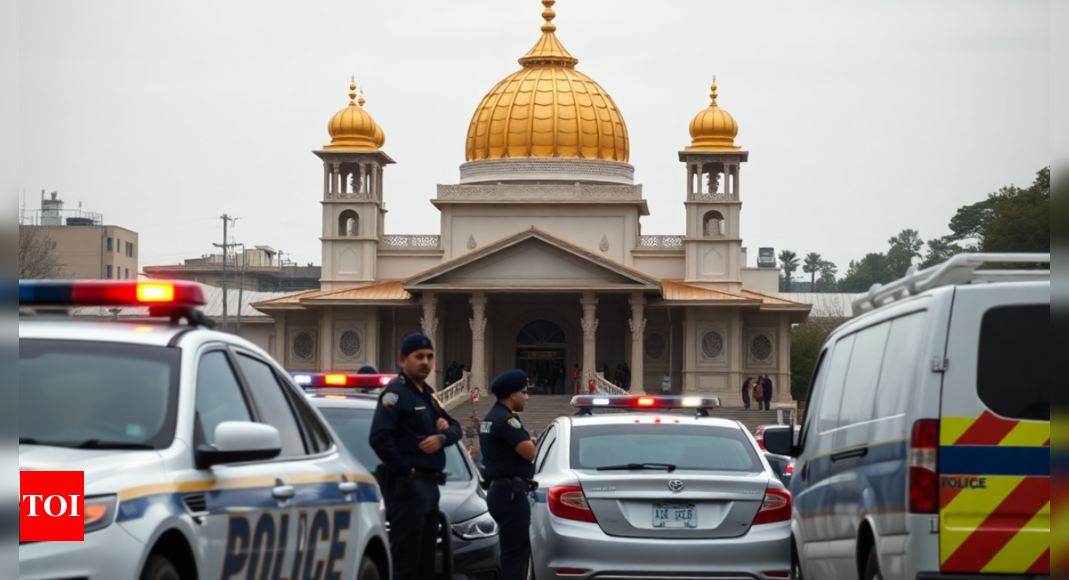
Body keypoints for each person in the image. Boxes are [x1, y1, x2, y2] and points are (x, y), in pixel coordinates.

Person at [369, 333, 463, 580]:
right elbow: (379, 437)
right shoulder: (396, 394)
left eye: (430, 357)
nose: (426, 362)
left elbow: (455, 427)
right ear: (403, 359)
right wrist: (405, 470)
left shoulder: (426, 394)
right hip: (409, 488)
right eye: (419, 357)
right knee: (406, 564)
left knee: (425, 564)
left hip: (430, 487)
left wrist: (442, 437)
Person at [479, 370, 537, 580]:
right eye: (524, 392)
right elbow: (529, 452)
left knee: (509, 552)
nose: (526, 396)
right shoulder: (507, 420)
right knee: (516, 554)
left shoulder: (490, 418)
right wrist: (532, 442)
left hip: (499, 490)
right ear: (513, 395)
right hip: (511, 494)